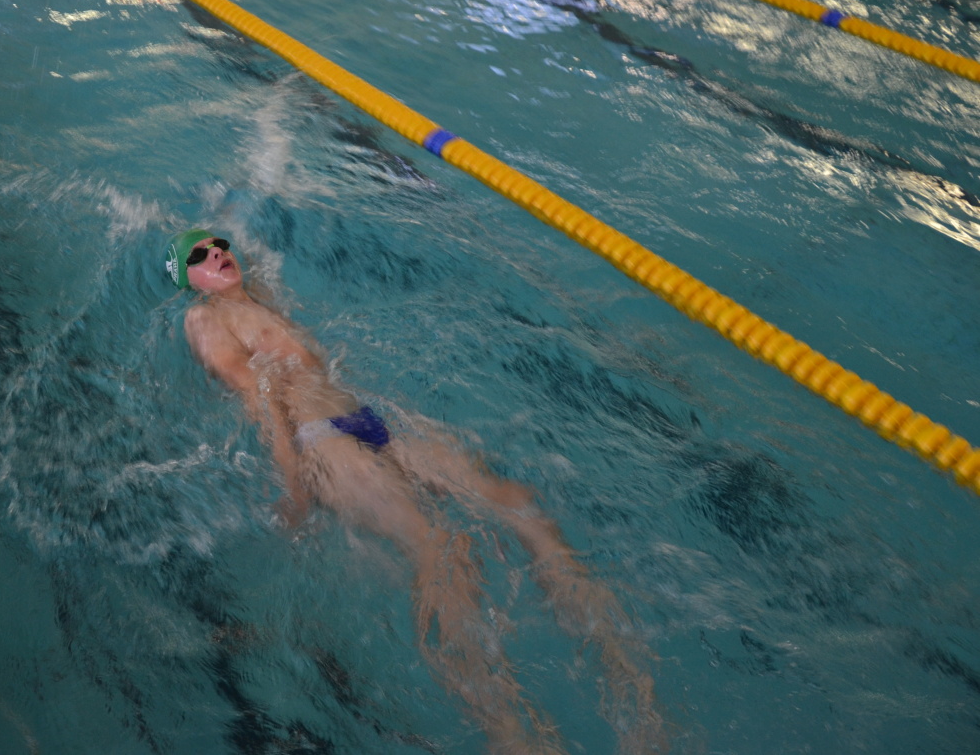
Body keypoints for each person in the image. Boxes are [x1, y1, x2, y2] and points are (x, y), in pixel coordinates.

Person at [166, 228, 666, 755]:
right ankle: (512, 737)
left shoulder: (258, 296)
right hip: (322, 443)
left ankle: (623, 674)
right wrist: (294, 485)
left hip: (368, 421)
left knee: (514, 501)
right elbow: (257, 396)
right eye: (199, 254)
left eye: (220, 244)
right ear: (188, 280)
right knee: (441, 550)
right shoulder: (203, 318)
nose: (216, 252)